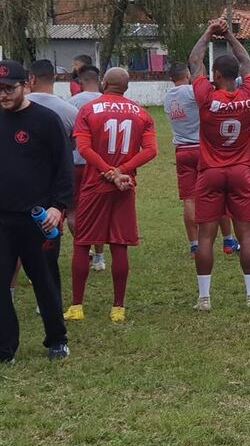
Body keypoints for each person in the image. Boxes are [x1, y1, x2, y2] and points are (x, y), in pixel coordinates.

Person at [66, 68, 157, 323]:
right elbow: (150, 150)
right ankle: (118, 308)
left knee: (83, 243)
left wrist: (108, 170)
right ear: (127, 88)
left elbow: (83, 148)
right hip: (124, 186)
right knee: (119, 245)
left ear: (104, 83)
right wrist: (122, 171)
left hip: (95, 184)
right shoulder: (142, 113)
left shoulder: (88, 110)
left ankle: (77, 306)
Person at [186, 20, 250, 310]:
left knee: (205, 235)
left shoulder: (206, 97)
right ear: (237, 76)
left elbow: (194, 60)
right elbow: (246, 61)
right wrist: (230, 35)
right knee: (246, 234)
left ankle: (204, 298)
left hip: (210, 172)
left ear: (216, 74)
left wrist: (208, 33)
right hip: (240, 171)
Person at [0, 61, 71, 362]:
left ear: (26, 84)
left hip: (38, 219)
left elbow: (64, 168)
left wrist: (58, 207)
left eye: (8, 88)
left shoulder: (46, 120)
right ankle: (5, 348)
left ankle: (57, 339)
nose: (3, 95)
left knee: (44, 280)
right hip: (2, 219)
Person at [163, 63, 241, 258]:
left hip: (182, 151)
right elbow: (220, 87)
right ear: (188, 74)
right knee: (218, 194)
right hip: (204, 149)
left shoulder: (167, 97)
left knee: (189, 199)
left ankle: (195, 245)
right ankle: (229, 240)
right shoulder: (192, 91)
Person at [66, 65, 108, 269]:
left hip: (74, 163)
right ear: (99, 81)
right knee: (97, 210)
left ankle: (85, 248)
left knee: (73, 210)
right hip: (99, 165)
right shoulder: (106, 103)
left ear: (80, 83)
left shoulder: (71, 104)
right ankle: (99, 257)